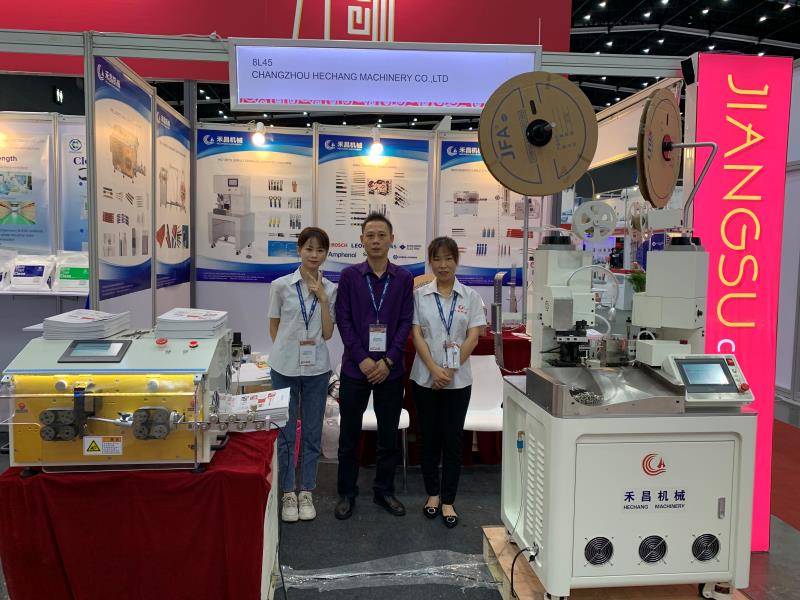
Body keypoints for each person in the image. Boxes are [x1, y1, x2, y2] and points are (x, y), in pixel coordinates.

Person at [334, 213, 414, 519]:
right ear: (362, 240)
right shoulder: (349, 276)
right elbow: (344, 320)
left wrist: (389, 360)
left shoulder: (403, 278)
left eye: (382, 235)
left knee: (388, 436)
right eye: (370, 235)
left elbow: (406, 322)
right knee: (349, 436)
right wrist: (364, 359)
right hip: (356, 369)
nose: (376, 240)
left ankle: (384, 491)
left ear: (392, 239)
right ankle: (347, 492)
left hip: (390, 371)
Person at [410, 236, 486, 528]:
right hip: (424, 378)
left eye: (448, 258)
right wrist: (434, 369)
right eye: (437, 259)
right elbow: (417, 335)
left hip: (458, 381)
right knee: (428, 438)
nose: (443, 265)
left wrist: (449, 371)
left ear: (456, 261)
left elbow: (473, 337)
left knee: (453, 441)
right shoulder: (419, 296)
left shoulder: (471, 297)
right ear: (430, 262)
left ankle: (449, 500)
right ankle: (432, 494)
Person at [268, 227, 337, 523]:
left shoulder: (331, 289)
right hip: (284, 368)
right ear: (299, 250)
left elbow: (328, 333)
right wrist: (287, 353)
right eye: (309, 248)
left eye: (320, 250)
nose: (314, 255)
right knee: (285, 433)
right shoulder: (281, 286)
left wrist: (322, 299)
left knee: (311, 432)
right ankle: (287, 491)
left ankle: (306, 490)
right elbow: (274, 326)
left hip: (317, 369)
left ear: (326, 254)